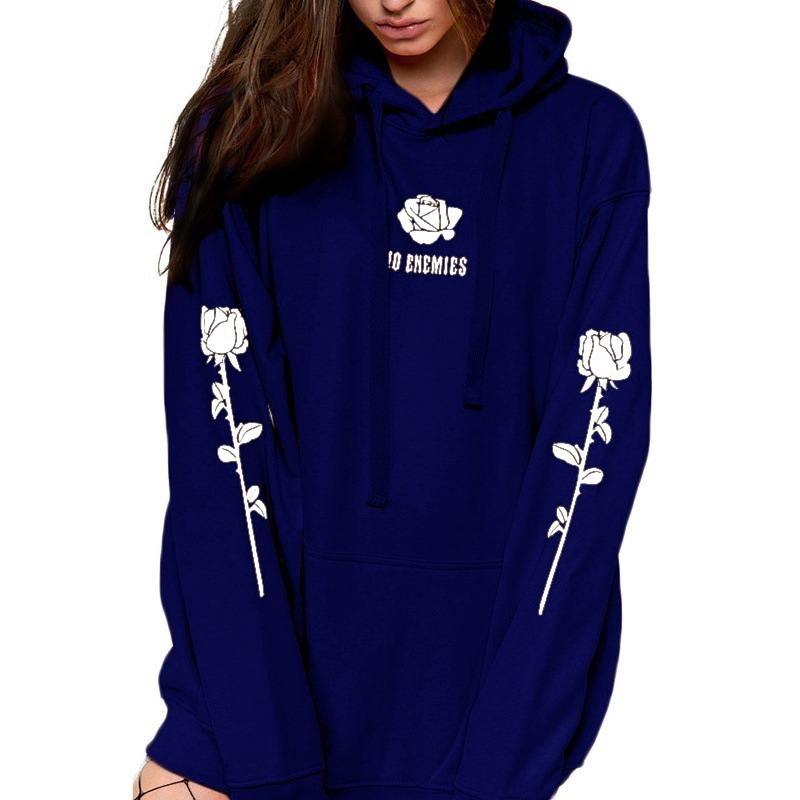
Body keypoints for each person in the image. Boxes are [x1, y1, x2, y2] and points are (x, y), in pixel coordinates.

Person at [135, 0, 651, 798]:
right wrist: (260, 751)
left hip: (487, 736)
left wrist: (500, 764)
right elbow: (218, 463)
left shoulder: (589, 138)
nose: (392, 2)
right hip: (245, 730)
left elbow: (590, 468)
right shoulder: (256, 130)